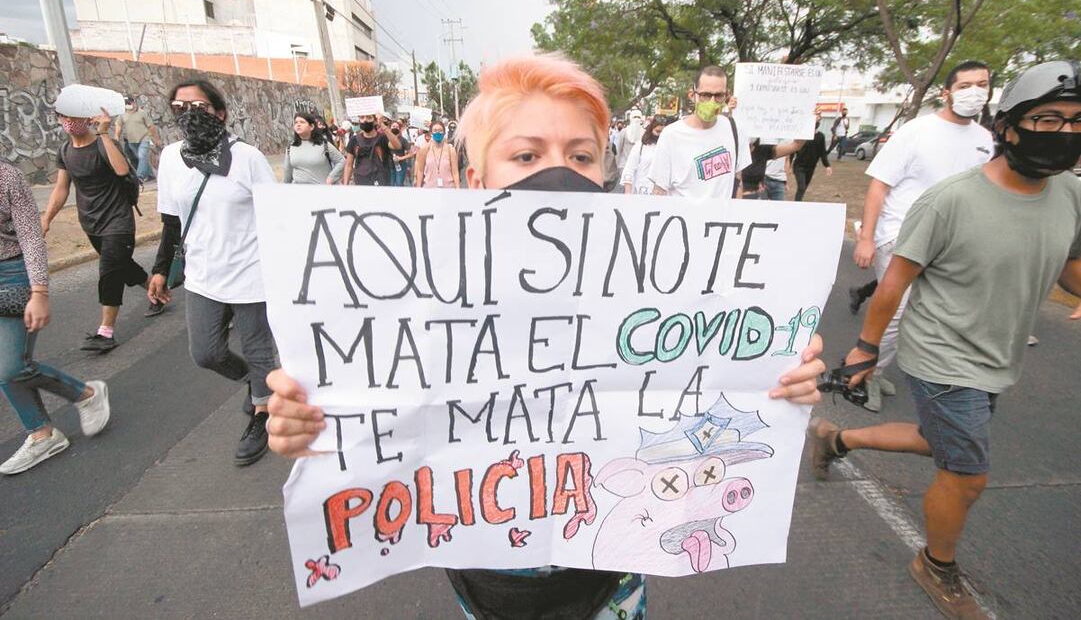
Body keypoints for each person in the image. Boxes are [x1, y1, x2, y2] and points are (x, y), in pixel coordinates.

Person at [264, 52, 828, 620]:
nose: (558, 172)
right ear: (477, 180)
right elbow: (366, 413)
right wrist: (310, 423)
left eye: (580, 155)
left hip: (610, 578)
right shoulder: (414, 303)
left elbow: (718, 381)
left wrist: (779, 377)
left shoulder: (656, 290)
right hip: (485, 579)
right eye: (527, 154)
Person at [809, 59, 1081, 620]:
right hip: (942, 354)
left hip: (999, 355)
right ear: (1009, 128)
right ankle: (936, 565)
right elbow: (893, 283)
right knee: (967, 471)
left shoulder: (1071, 195)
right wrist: (863, 351)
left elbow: (1070, 267)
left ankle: (837, 441)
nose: (1064, 135)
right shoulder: (950, 200)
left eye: (1077, 122)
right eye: (1048, 120)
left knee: (940, 441)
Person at [147, 79, 279, 466]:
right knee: (205, 353)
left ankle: (262, 414)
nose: (188, 113)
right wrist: (160, 270)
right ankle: (256, 385)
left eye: (199, 106)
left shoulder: (249, 158)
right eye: (179, 106)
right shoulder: (170, 158)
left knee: (257, 349)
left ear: (220, 112)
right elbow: (172, 221)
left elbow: (275, 215)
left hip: (250, 272)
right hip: (202, 274)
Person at [852, 61, 994, 411]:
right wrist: (867, 238)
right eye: (965, 86)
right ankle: (864, 374)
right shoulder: (916, 131)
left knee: (924, 312)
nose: (974, 92)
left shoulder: (985, 139)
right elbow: (879, 186)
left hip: (950, 244)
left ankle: (876, 366)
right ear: (947, 93)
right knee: (897, 311)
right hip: (901, 236)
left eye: (982, 84)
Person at [0, 161, 110, 475]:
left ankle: (85, 394)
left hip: (12, 275)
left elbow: (31, 237)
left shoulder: (8, 177)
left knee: (11, 366)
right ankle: (41, 434)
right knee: (5, 367)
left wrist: (39, 292)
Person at [40, 98, 161, 353]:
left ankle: (105, 332)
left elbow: (120, 170)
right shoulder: (64, 151)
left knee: (108, 271)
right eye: (64, 117)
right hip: (91, 223)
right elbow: (61, 189)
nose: (69, 122)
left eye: (74, 116)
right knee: (122, 266)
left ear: (88, 119)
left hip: (118, 220)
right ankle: (155, 289)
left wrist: (104, 133)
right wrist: (46, 219)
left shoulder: (105, 144)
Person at [647, 65, 751, 198]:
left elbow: (737, 182)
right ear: (692, 95)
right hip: (682, 217)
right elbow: (659, 190)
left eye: (719, 95)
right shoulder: (671, 135)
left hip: (719, 217)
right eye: (706, 95)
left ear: (726, 95)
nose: (712, 102)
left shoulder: (735, 130)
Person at [283, 113, 345, 185]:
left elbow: (341, 161)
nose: (298, 124)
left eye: (302, 122)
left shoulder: (324, 144)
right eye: (296, 122)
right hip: (299, 192)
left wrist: (332, 177)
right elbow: (287, 171)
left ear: (311, 126)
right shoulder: (291, 147)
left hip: (321, 191)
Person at [342, 114, 401, 186]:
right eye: (362, 117)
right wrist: (345, 184)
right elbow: (348, 165)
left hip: (381, 182)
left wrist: (382, 125)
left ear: (375, 121)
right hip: (361, 182)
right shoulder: (354, 140)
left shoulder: (383, 138)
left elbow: (398, 146)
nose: (365, 120)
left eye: (369, 117)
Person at [114, 96, 161, 183]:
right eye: (126, 103)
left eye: (129, 102)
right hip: (131, 141)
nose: (128, 105)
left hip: (144, 138)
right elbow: (119, 126)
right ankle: (150, 176)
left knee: (142, 156)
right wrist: (116, 136)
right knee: (141, 159)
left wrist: (156, 138)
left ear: (133, 102)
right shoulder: (122, 115)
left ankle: (139, 177)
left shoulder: (142, 113)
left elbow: (151, 126)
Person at [737, 139, 803, 200]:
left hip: (758, 197)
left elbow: (796, 146)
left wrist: (807, 130)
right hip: (739, 199)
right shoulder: (735, 150)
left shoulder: (761, 150)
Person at [791, 111, 832, 201]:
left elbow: (823, 152)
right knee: (801, 187)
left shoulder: (821, 136)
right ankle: (796, 205)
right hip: (799, 166)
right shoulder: (801, 134)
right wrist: (788, 165)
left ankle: (798, 201)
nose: (816, 121)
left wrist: (827, 165)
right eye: (815, 119)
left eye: (818, 119)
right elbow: (792, 150)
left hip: (811, 167)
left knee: (804, 187)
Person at [620, 116, 664, 194]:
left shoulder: (668, 149)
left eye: (663, 133)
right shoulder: (641, 146)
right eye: (658, 131)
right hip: (640, 192)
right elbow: (629, 169)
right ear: (651, 130)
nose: (660, 135)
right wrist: (628, 195)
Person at [414, 120, 460, 188]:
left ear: (444, 132)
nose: (438, 132)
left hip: (448, 189)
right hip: (429, 189)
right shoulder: (425, 149)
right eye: (435, 130)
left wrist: (458, 188)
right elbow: (420, 171)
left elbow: (455, 172)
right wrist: (418, 187)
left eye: (440, 130)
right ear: (431, 132)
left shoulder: (450, 150)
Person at [388, 120, 415, 187]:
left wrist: (400, 158)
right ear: (390, 128)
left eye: (397, 127)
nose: (395, 128)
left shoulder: (403, 140)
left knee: (399, 184)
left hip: (401, 166)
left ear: (399, 129)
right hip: (389, 166)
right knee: (390, 184)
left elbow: (411, 154)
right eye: (393, 126)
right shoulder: (386, 138)